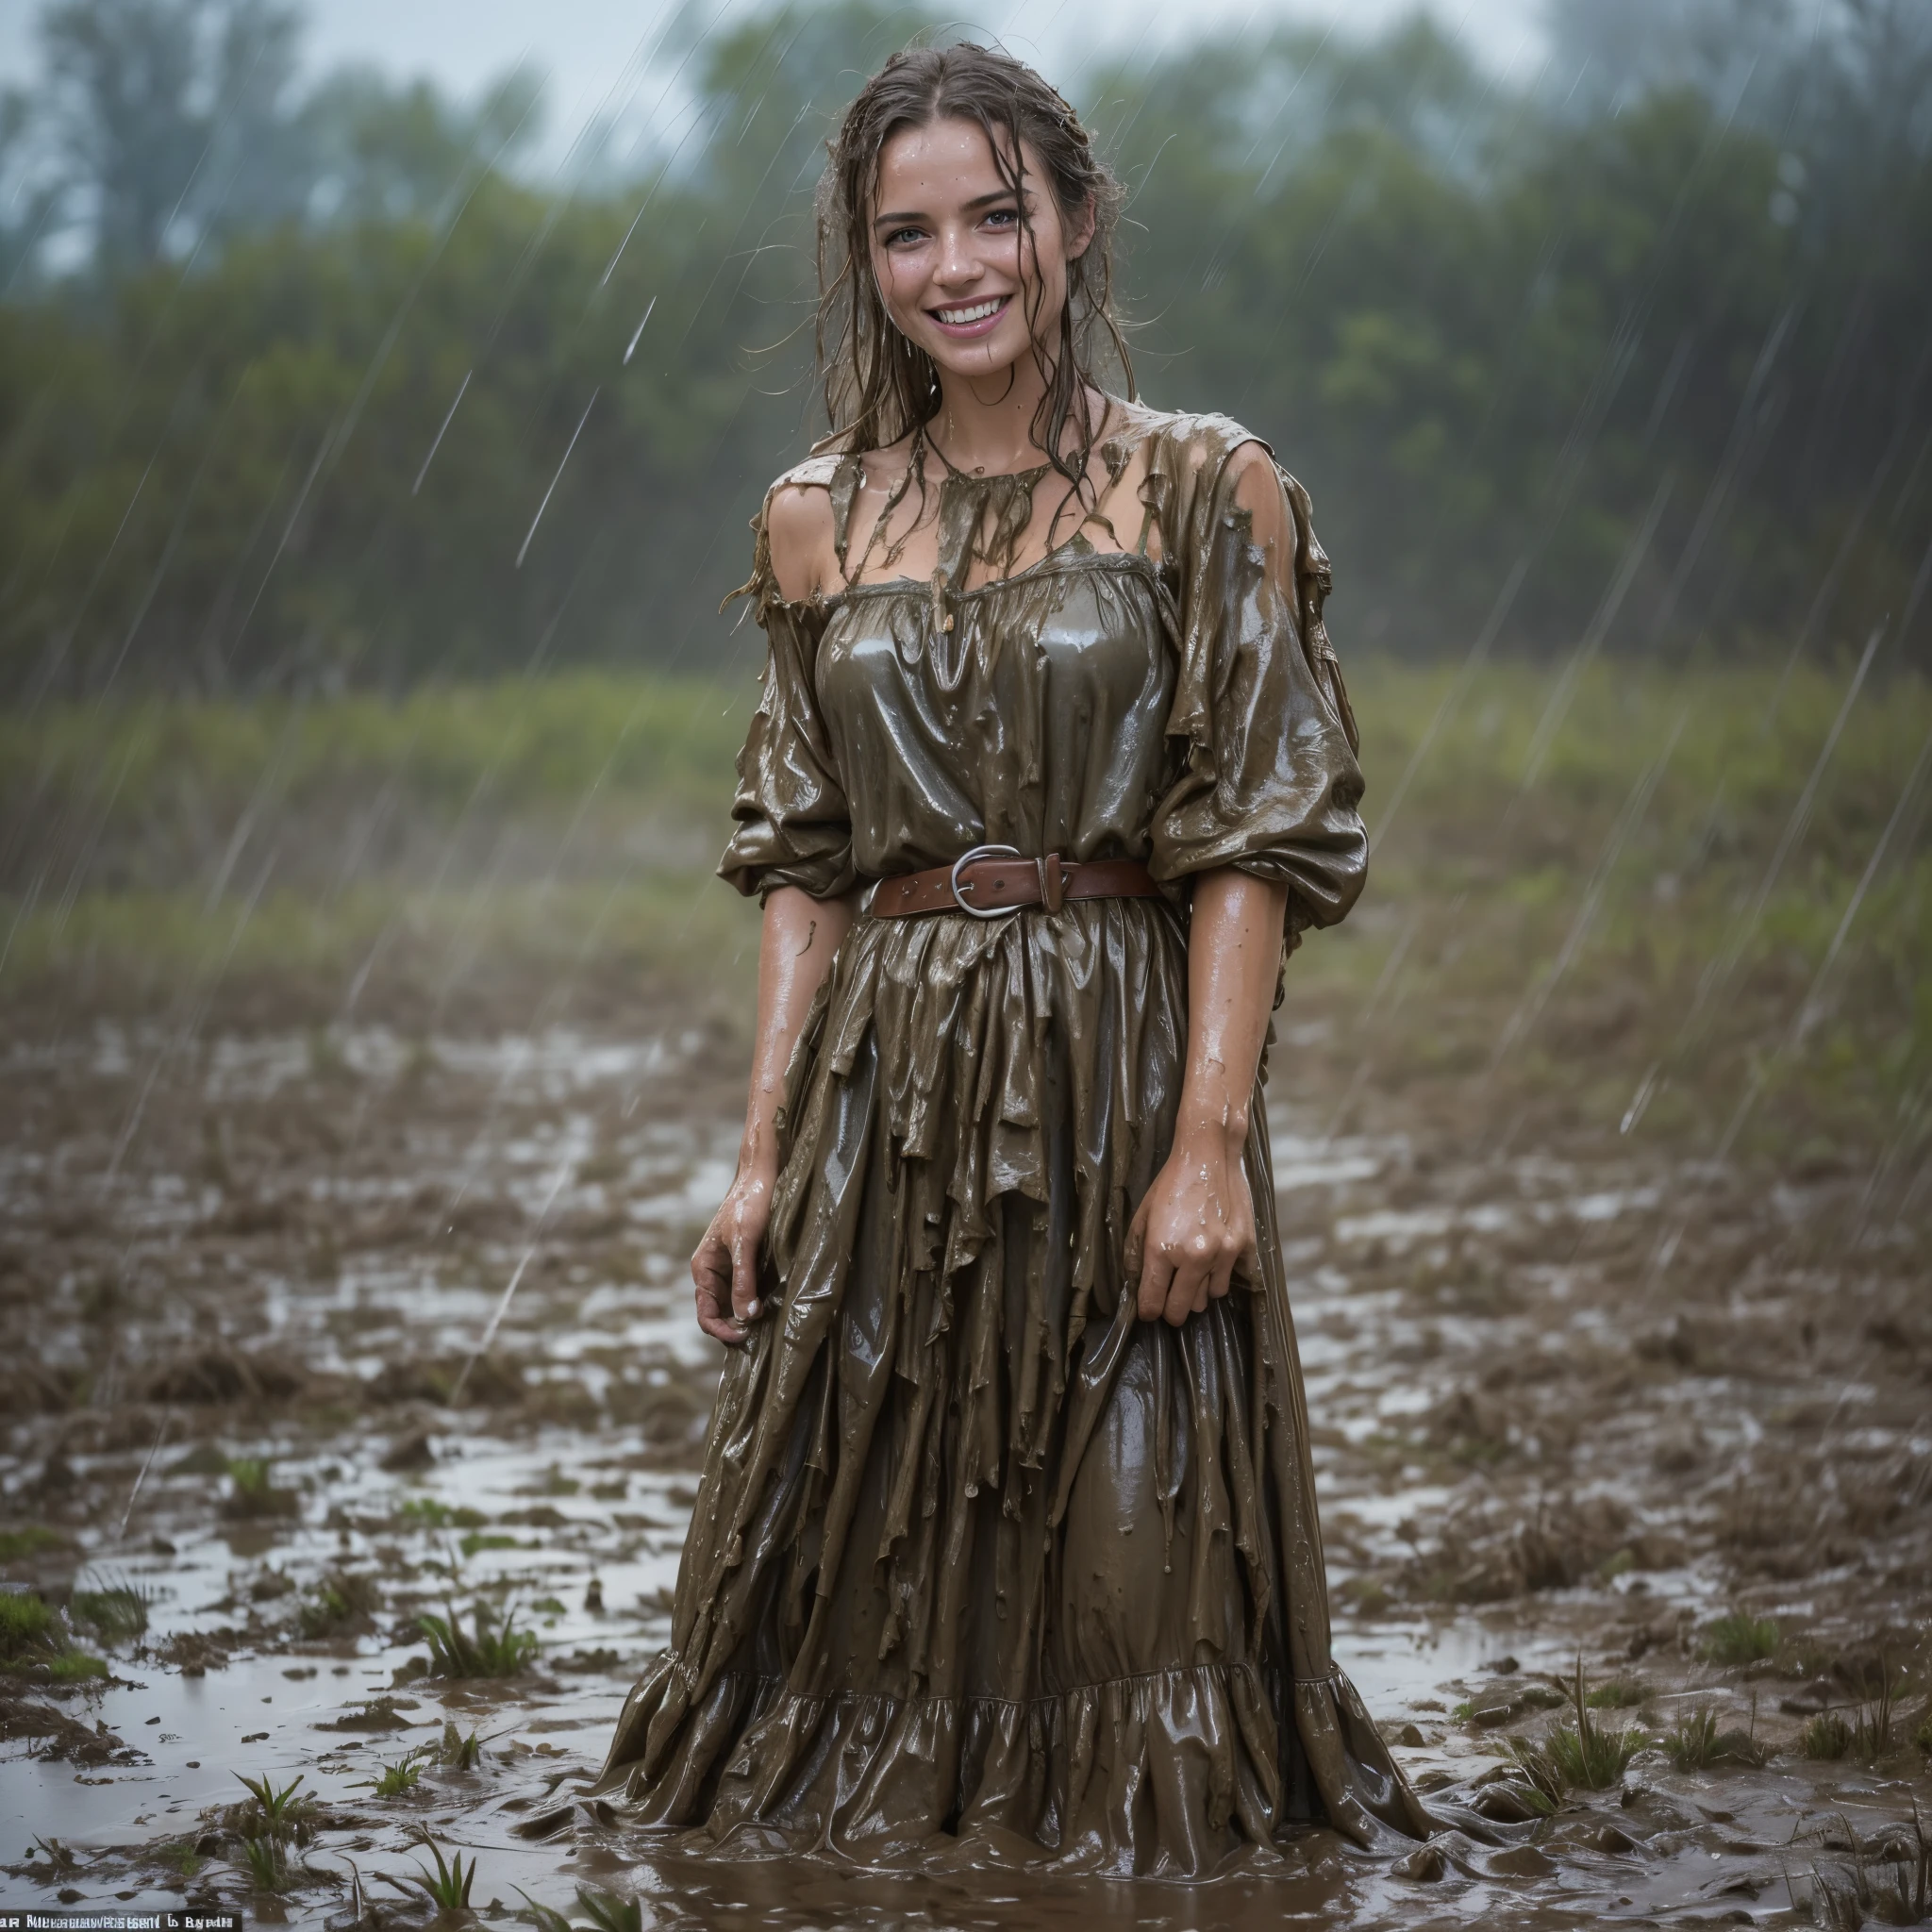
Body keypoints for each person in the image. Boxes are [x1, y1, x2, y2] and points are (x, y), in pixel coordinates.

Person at [593, 39, 1433, 1875]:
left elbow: (1252, 835)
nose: (956, 265)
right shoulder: (812, 516)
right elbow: (805, 863)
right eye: (907, 233)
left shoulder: (1210, 485)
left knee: (1147, 1587)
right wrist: (758, 1157)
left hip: (1123, 1066)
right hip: (885, 1092)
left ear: (1074, 219)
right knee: (849, 1579)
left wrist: (1206, 1138)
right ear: (864, 260)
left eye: (995, 213)